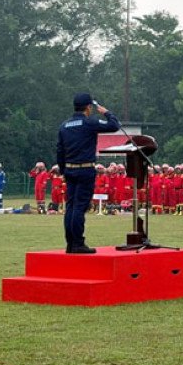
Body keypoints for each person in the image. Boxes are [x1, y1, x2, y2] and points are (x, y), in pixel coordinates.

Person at [57, 93, 120, 253]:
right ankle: (78, 243)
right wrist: (106, 112)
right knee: (79, 207)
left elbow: (60, 150)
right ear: (88, 107)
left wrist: (64, 170)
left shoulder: (64, 125)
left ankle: (70, 243)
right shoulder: (89, 122)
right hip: (85, 169)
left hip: (70, 169)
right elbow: (114, 126)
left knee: (71, 207)